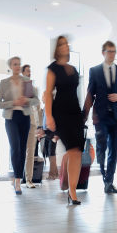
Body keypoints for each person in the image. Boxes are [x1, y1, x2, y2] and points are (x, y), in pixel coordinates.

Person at [83, 41, 117, 194]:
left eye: (114, 51)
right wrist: (84, 116)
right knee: (101, 149)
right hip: (100, 117)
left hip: (116, 117)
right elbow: (90, 93)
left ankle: (109, 182)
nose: (112, 54)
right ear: (103, 52)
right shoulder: (94, 71)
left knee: (114, 150)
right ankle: (105, 178)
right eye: (109, 51)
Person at [45, 36, 85, 205]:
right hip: (61, 112)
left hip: (75, 112)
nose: (65, 46)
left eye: (66, 44)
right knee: (72, 149)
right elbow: (48, 93)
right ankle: (70, 188)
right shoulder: (53, 68)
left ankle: (73, 190)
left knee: (77, 152)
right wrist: (48, 116)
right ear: (57, 48)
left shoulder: (74, 69)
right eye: (61, 44)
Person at [0, 57, 39, 195]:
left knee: (22, 149)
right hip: (11, 118)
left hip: (24, 117)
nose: (17, 67)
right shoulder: (4, 83)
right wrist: (13, 102)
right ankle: (18, 180)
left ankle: (18, 179)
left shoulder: (26, 81)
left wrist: (27, 100)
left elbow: (36, 100)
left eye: (19, 64)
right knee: (15, 147)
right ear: (10, 66)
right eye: (15, 64)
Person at [22, 64, 43, 188]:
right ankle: (17, 178)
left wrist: (40, 126)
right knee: (19, 151)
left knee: (30, 152)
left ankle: (29, 180)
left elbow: (38, 107)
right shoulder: (18, 88)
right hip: (20, 123)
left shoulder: (34, 89)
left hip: (32, 123)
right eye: (27, 71)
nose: (29, 73)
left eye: (30, 71)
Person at [40, 91, 59, 180]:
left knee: (52, 153)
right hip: (47, 133)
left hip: (52, 133)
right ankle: (55, 173)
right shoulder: (45, 108)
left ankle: (52, 174)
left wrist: (56, 134)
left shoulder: (53, 107)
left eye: (43, 96)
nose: (42, 98)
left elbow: (57, 120)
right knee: (48, 153)